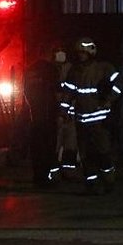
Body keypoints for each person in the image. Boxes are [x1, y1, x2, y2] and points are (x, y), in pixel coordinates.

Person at [60, 37, 122, 195]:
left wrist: (109, 100)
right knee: (85, 155)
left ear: (91, 53)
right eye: (79, 53)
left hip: (99, 121)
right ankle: (91, 184)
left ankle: (109, 181)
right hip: (81, 121)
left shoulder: (103, 68)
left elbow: (119, 83)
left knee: (103, 152)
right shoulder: (74, 71)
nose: (81, 56)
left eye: (83, 53)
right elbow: (68, 93)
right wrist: (63, 112)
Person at [23, 43, 62, 187]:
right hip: (48, 114)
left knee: (37, 147)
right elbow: (57, 91)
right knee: (48, 146)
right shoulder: (51, 69)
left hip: (35, 114)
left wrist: (32, 107)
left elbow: (26, 91)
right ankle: (46, 178)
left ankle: (37, 177)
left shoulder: (30, 69)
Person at [53, 45, 80, 180]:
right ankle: (55, 172)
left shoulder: (72, 70)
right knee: (56, 144)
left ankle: (67, 171)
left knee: (70, 144)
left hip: (69, 115)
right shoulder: (51, 70)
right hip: (58, 114)